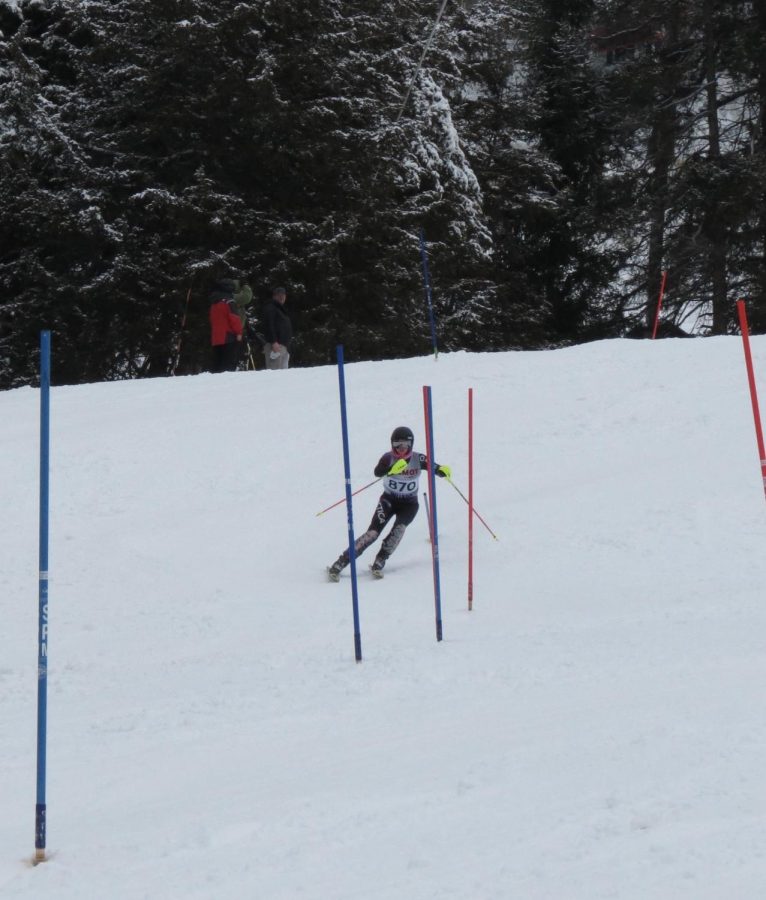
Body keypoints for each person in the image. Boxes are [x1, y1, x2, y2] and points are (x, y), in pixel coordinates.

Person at [327, 426, 451, 580]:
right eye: (397, 445)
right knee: (372, 534)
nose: (401, 449)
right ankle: (341, 561)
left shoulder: (417, 458)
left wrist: (441, 470)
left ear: (411, 445)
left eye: (405, 445)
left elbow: (433, 466)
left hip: (409, 504)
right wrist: (391, 469)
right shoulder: (388, 457)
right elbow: (377, 472)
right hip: (389, 500)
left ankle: (380, 560)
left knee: (398, 530)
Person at [208, 278, 243, 373]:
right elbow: (235, 318)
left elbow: (212, 319)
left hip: (216, 338)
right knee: (228, 367)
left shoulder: (214, 302)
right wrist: (239, 333)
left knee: (217, 365)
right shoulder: (229, 301)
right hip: (228, 337)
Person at [262, 286, 292, 370]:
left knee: (282, 376)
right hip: (275, 346)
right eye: (279, 295)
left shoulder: (281, 309)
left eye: (283, 295)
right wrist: (274, 341)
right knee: (274, 373)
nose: (281, 297)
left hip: (283, 346)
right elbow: (269, 325)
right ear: (274, 296)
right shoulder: (271, 307)